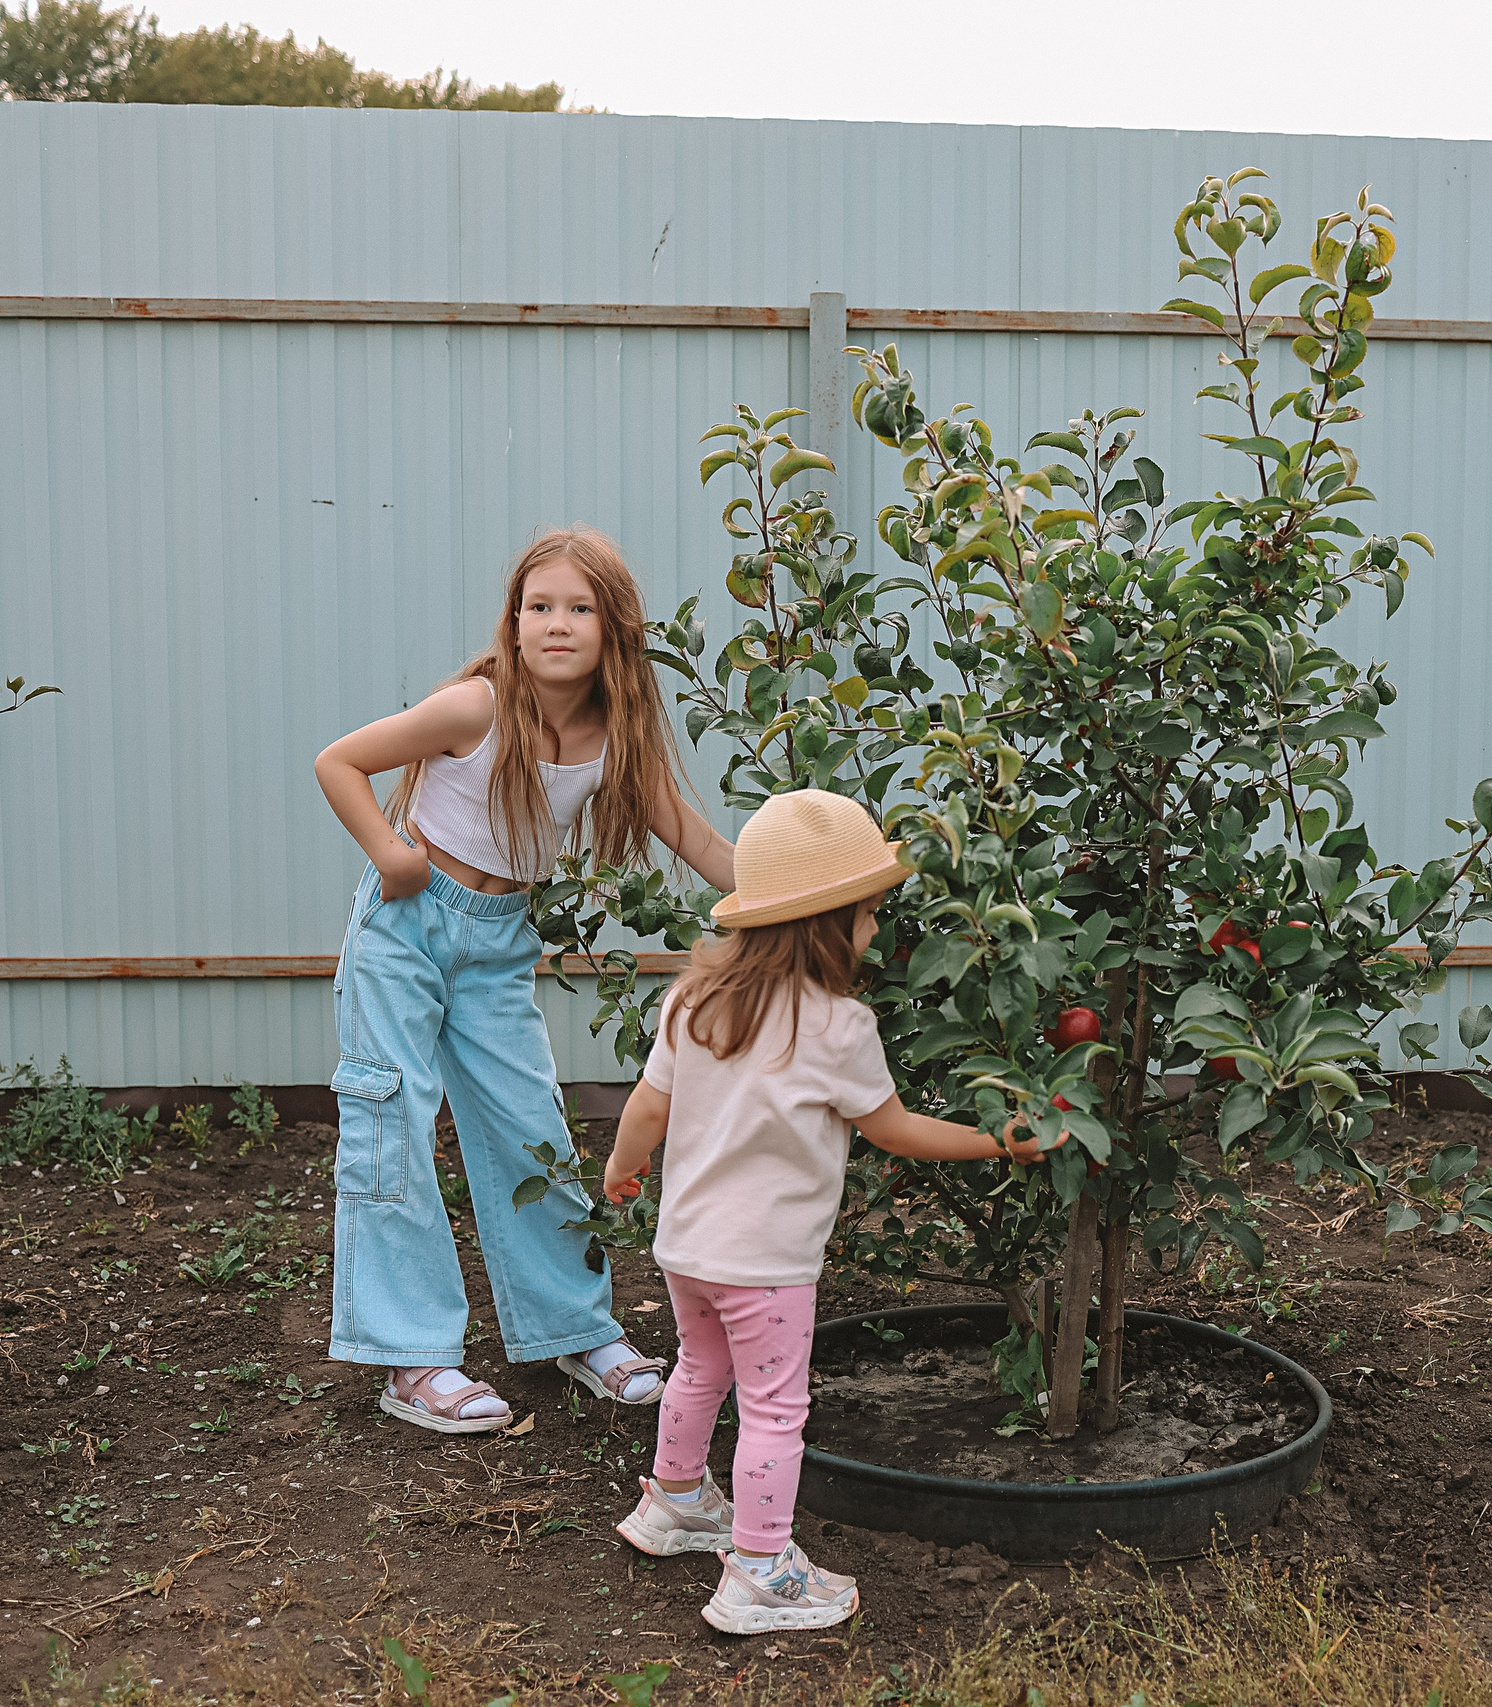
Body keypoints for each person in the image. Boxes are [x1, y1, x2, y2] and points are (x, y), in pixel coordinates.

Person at [599, 789, 1058, 1636]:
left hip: (686, 1248)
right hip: (765, 1265)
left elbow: (647, 1108)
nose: (877, 933)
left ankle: (672, 1504)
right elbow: (896, 1131)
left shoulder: (691, 1000)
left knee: (699, 1370)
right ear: (824, 924)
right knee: (776, 1411)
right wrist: (1002, 1141)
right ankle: (762, 1572)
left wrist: (623, 1169)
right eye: (871, 914)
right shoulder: (839, 1024)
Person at [313, 526, 737, 1434]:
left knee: (529, 1124)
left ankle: (571, 1326)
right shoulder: (478, 707)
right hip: (407, 931)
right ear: (513, 622)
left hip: (499, 945)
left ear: (613, 628)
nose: (555, 623)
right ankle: (411, 1355)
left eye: (577, 608)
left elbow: (701, 844)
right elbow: (338, 761)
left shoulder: (614, 738)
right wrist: (391, 854)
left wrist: (793, 896)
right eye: (537, 606)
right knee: (393, 1121)